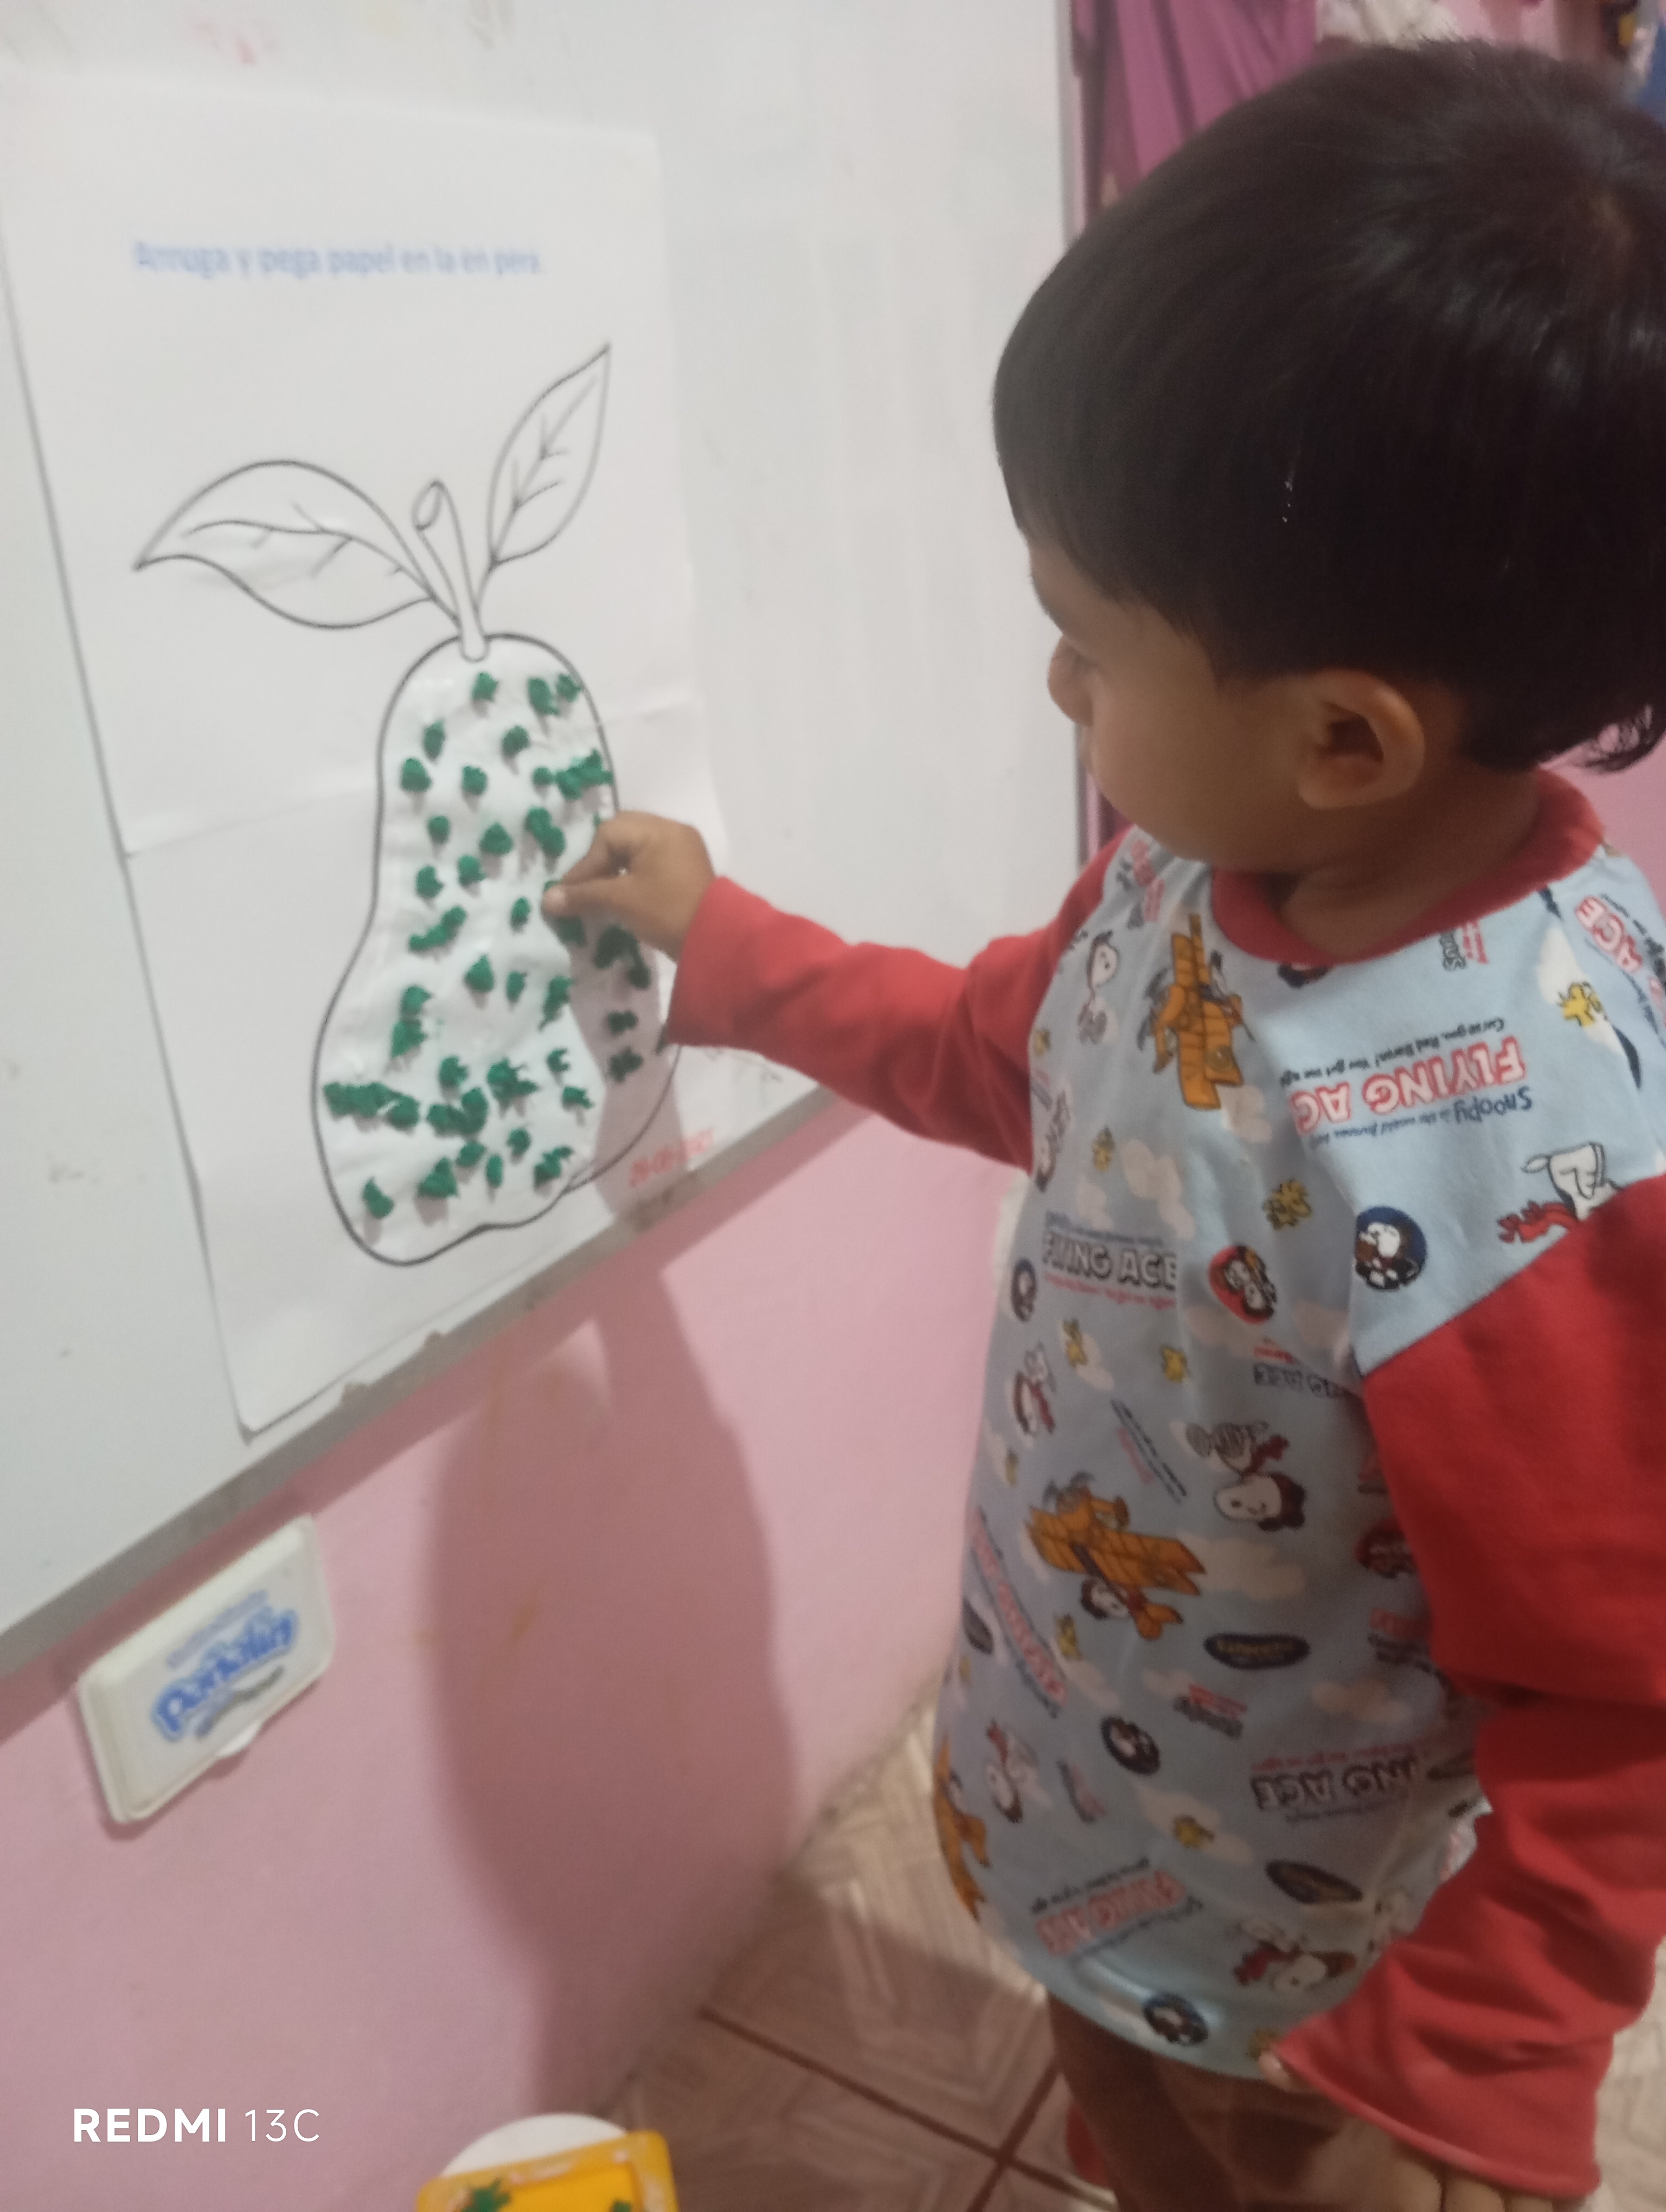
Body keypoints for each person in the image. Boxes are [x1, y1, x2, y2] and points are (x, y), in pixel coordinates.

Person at [544, 42, 1666, 2211]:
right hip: (1077, 1782)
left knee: (1234, 2154)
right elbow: (1014, 1054)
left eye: (1084, 640)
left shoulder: (1542, 1164)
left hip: (1302, 1960)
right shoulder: (1185, 867)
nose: (1057, 686)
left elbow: (1621, 1697)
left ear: (1346, 738)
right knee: (1118, 2106)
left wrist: (1466, 2077)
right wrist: (733, 950)